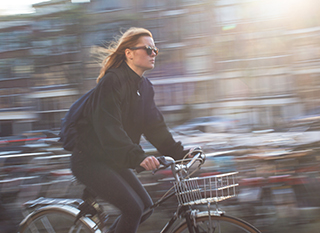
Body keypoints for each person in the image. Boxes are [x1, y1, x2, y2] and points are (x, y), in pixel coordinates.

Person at [70, 27, 190, 233]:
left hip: (113, 159)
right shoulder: (112, 82)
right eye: (148, 49)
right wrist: (138, 157)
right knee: (134, 209)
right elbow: (109, 128)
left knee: (146, 207)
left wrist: (180, 154)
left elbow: (154, 127)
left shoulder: (144, 87)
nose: (153, 54)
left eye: (155, 50)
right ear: (129, 53)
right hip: (89, 159)